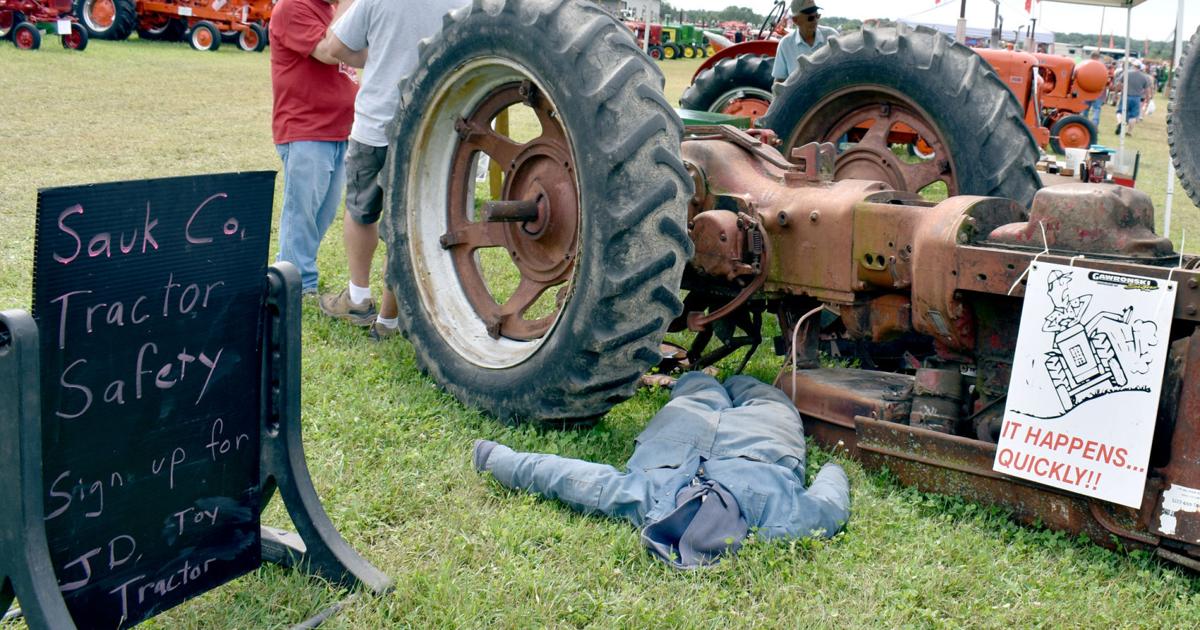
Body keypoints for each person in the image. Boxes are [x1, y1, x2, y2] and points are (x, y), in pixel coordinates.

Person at [472, 373, 851, 569]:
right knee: (763, 393)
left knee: (698, 387)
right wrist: (835, 467)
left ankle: (712, 378)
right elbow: (831, 503)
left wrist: (496, 460)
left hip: (695, 432)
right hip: (757, 438)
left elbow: (565, 478)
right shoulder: (783, 523)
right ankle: (733, 381)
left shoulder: (645, 500)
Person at [313, 0, 465, 339]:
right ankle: (389, 319)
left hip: (375, 124)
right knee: (406, 224)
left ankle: (357, 297)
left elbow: (335, 45)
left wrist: (377, 56)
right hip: (430, 128)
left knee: (361, 212)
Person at [268, 0, 358, 295]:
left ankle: (296, 276)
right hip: (306, 128)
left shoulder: (331, 10)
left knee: (323, 212)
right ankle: (297, 286)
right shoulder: (293, 6)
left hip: (337, 129)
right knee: (302, 212)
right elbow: (328, 52)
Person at [772, 0, 838, 83]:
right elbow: (779, 81)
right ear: (795, 20)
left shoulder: (831, 36)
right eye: (810, 18)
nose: (815, 21)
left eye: (817, 16)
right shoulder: (785, 45)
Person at [1116, 58, 1153, 136]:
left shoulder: (1126, 73)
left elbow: (1118, 84)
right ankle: (1129, 132)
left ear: (1133, 66)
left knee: (1120, 111)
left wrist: (1118, 92)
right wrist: (1148, 99)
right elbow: (1147, 90)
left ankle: (1120, 123)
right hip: (1136, 98)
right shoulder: (1144, 77)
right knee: (1133, 116)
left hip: (1126, 95)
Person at [1084, 52, 1106, 129]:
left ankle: (1084, 124)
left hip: (1087, 91)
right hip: (1098, 92)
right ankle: (1094, 126)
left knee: (1085, 109)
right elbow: (1105, 80)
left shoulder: (1086, 65)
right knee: (1096, 110)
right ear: (1098, 57)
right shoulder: (1102, 67)